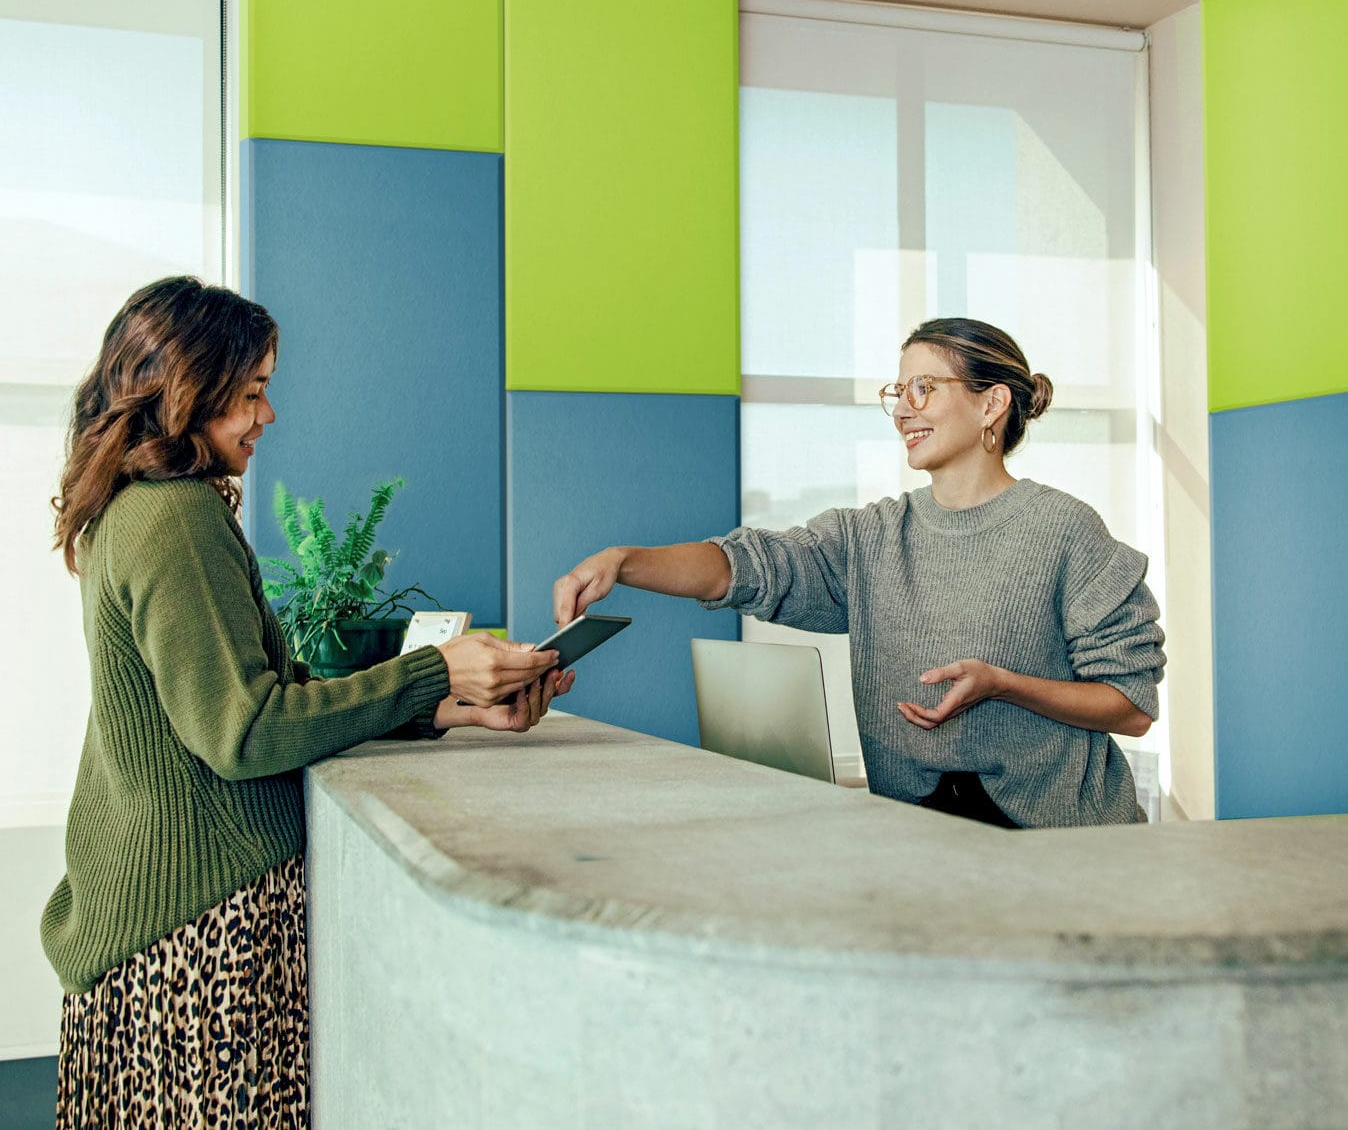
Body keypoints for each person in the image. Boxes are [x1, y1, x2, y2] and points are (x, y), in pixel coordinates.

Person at [43, 276, 574, 1129]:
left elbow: (264, 699)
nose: (268, 416)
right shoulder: (176, 516)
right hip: (201, 929)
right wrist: (433, 672)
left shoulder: (133, 510)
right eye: (251, 393)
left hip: (161, 918)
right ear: (187, 389)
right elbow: (245, 732)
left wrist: (449, 708)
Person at [553, 317, 1165, 831]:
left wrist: (1004, 685)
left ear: (992, 402)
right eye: (896, 393)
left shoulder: (1064, 529)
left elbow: (1130, 707)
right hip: (916, 837)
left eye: (922, 388)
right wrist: (624, 561)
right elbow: (745, 568)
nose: (902, 410)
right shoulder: (871, 536)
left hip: (1065, 848)